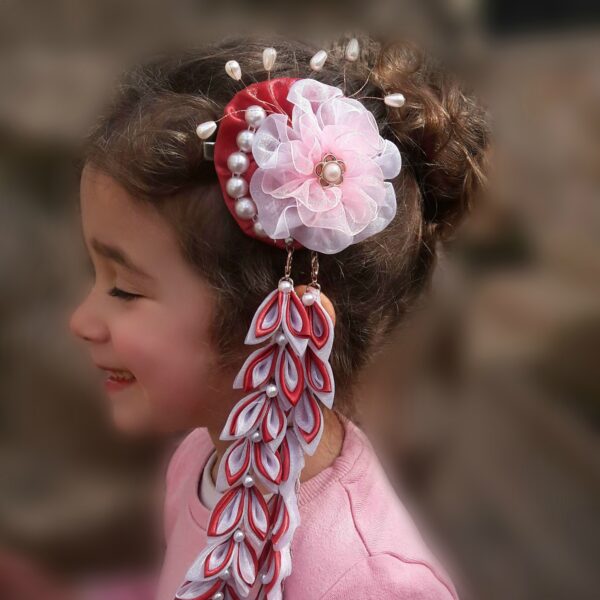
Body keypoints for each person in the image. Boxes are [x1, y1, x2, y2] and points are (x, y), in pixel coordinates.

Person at [68, 35, 488, 599]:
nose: (81, 320)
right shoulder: (201, 460)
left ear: (280, 315)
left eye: (123, 290)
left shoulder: (372, 581)